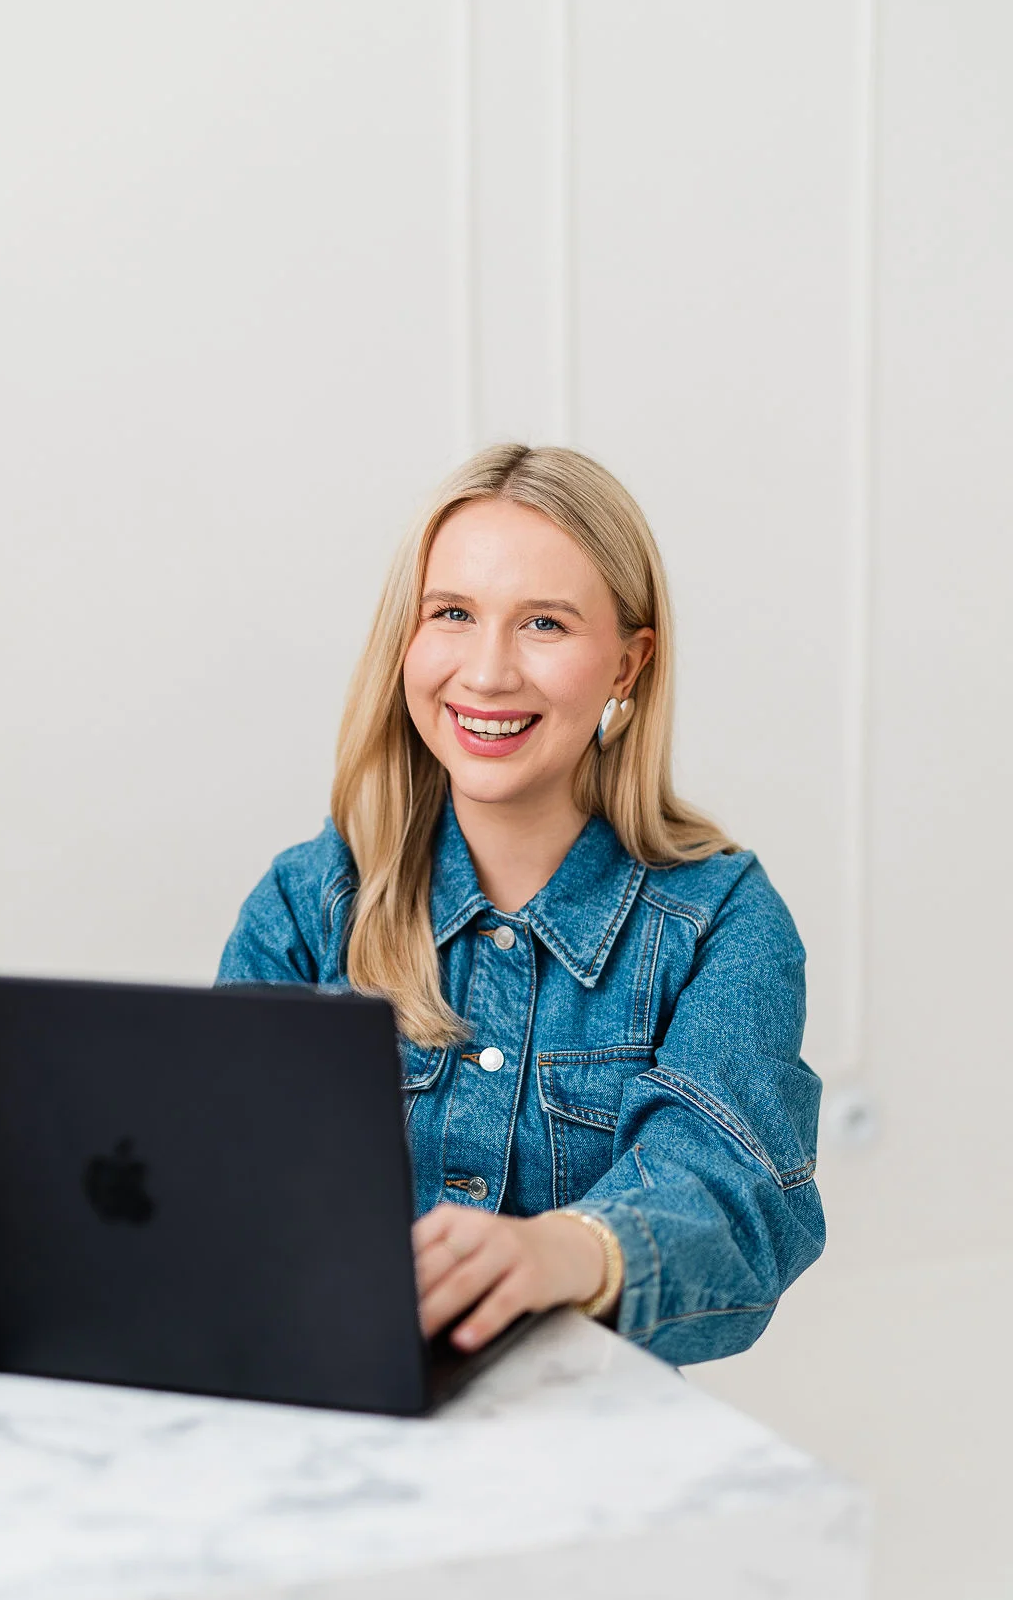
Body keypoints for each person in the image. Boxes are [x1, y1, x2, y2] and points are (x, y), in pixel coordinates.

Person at [217, 444, 822, 1365]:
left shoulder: (723, 921)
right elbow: (213, 1179)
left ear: (627, 663)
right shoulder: (310, 901)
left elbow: (734, 1197)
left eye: (544, 623)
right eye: (452, 614)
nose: (488, 672)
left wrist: (561, 1251)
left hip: (582, 1461)